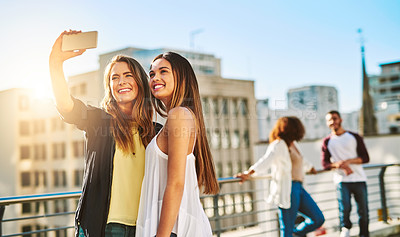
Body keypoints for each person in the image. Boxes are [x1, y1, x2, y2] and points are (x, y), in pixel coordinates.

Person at [49, 30, 161, 237]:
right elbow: (66, 106)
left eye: (128, 75)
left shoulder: (156, 132)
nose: (121, 82)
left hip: (145, 228)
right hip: (105, 228)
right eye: (114, 78)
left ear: (139, 82)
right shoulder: (98, 121)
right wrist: (55, 62)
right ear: (110, 87)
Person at [135, 52, 219, 237]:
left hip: (173, 229)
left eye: (163, 71)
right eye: (152, 74)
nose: (155, 78)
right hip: (172, 225)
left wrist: (161, 236)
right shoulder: (180, 115)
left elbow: (176, 183)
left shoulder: (179, 115)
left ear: (181, 77)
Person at [236, 116, 325, 237]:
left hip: (299, 188)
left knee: (318, 218)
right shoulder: (278, 144)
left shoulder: (293, 144)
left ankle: (295, 233)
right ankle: (290, 234)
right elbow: (265, 160)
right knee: (287, 228)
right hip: (288, 189)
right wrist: (249, 173)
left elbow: (301, 160)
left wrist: (311, 168)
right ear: (291, 129)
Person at [322, 110, 370, 237]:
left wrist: (348, 161)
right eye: (329, 120)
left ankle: (364, 234)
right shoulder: (327, 141)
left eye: (334, 118)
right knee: (345, 209)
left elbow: (365, 158)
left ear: (340, 120)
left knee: (363, 211)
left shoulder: (354, 137)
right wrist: (336, 164)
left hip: (359, 179)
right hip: (342, 181)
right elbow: (325, 164)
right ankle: (345, 232)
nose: (332, 122)